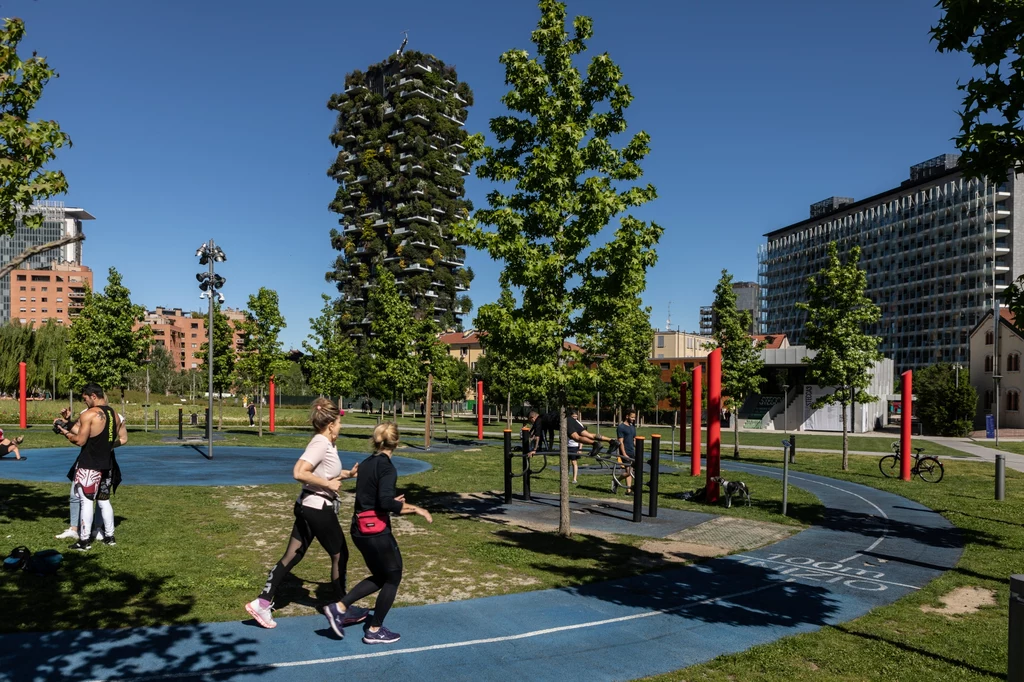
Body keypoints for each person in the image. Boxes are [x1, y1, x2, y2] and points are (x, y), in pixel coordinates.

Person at [245, 398, 363, 630]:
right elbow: (299, 472)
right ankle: (342, 609)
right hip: (317, 508)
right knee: (340, 554)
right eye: (339, 423)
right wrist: (327, 486)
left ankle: (262, 602)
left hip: (308, 506)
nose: (340, 427)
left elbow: (324, 474)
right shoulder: (320, 442)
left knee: (294, 554)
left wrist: (347, 474)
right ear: (330, 425)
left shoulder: (327, 443)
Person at [323, 422, 432, 645]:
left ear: (376, 440)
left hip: (358, 529)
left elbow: (373, 497)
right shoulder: (387, 468)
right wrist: (416, 509)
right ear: (397, 442)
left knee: (381, 576)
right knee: (393, 576)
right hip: (375, 531)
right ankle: (374, 629)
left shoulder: (366, 463)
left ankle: (340, 607)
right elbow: (384, 502)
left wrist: (392, 501)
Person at [54, 383, 127, 551]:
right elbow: (102, 435)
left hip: (89, 465)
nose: (85, 402)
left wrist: (65, 433)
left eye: (85, 398)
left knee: (86, 502)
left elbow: (80, 440)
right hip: (106, 464)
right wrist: (68, 423)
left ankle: (84, 541)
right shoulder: (115, 415)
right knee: (104, 501)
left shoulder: (90, 414)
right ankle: (109, 537)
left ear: (93, 396)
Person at [566, 408, 615, 485]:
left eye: (576, 416)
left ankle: (574, 478)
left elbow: (581, 437)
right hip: (568, 445)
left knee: (574, 461)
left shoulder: (576, 423)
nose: (575, 418)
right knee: (566, 463)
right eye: (573, 416)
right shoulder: (570, 423)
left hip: (574, 445)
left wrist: (580, 448)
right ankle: (611, 441)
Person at [614, 409, 637, 494]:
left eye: (634, 417)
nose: (633, 419)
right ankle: (616, 480)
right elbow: (621, 442)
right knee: (629, 471)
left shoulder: (632, 427)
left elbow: (634, 440)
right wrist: (624, 454)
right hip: (625, 452)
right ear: (627, 416)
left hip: (632, 452)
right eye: (632, 417)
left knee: (630, 471)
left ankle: (628, 490)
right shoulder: (621, 427)